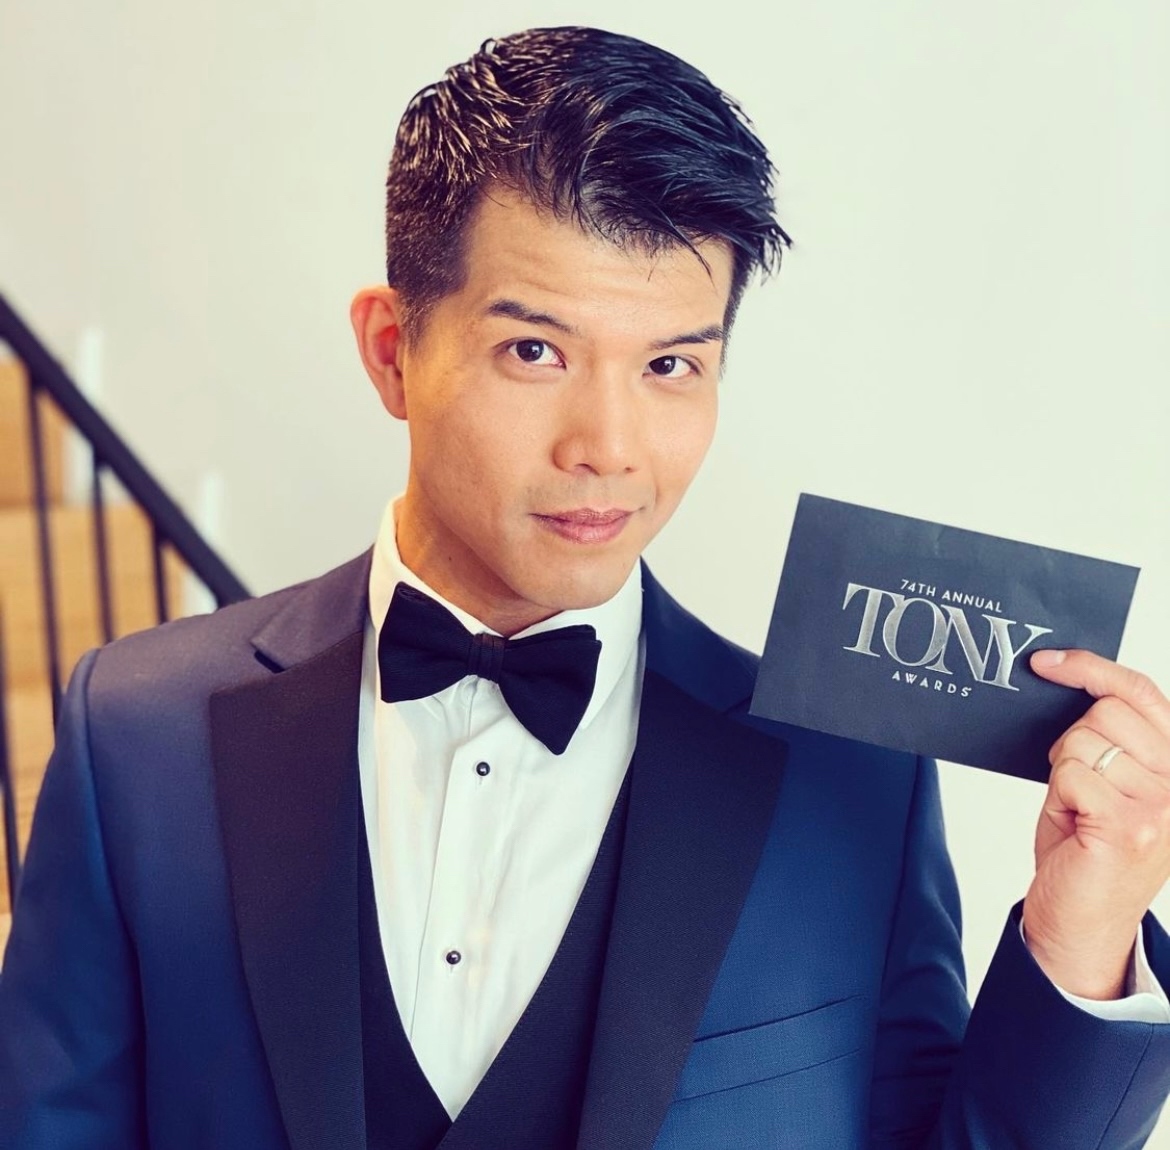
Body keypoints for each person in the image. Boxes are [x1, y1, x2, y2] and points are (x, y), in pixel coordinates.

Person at [1, 25, 1169, 1150]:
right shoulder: (136, 734)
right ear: (393, 350)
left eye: (670, 365)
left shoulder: (852, 779)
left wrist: (1082, 935)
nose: (607, 445)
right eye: (536, 351)